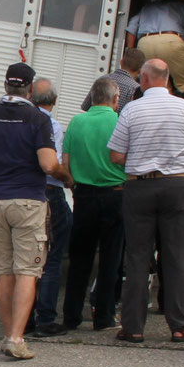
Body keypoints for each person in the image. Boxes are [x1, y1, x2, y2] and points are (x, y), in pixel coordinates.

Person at [0, 61, 68, 360]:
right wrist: (67, 177)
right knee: (27, 269)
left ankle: (8, 332)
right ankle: (16, 337)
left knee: (2, 270)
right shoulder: (37, 119)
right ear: (29, 89)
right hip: (28, 200)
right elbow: (48, 164)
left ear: (5, 86)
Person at [107, 59, 184, 343]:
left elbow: (115, 155)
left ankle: (133, 327)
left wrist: (139, 160)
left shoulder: (131, 109)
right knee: (175, 256)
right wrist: (178, 161)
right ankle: (179, 325)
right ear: (166, 79)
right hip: (177, 185)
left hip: (139, 187)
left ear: (146, 79)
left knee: (138, 257)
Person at [61, 75, 125, 331]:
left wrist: (73, 183)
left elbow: (65, 162)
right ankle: (104, 316)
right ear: (116, 99)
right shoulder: (120, 122)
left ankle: (71, 315)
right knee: (111, 258)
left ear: (92, 97)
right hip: (116, 194)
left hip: (84, 195)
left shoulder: (77, 121)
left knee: (80, 258)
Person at [26, 77, 72, 337]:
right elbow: (52, 164)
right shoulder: (51, 125)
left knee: (27, 259)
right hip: (49, 192)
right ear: (54, 100)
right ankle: (45, 319)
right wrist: (68, 179)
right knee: (52, 258)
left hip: (24, 191)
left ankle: (24, 316)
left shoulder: (21, 121)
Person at [130, 0, 184, 95]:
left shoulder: (146, 8)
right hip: (171, 40)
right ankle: (181, 108)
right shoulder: (181, 6)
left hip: (145, 42)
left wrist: (130, 51)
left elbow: (131, 27)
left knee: (157, 85)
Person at [109, 44, 143, 109]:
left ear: (121, 62)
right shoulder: (137, 89)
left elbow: (86, 107)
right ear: (140, 71)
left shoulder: (103, 79)